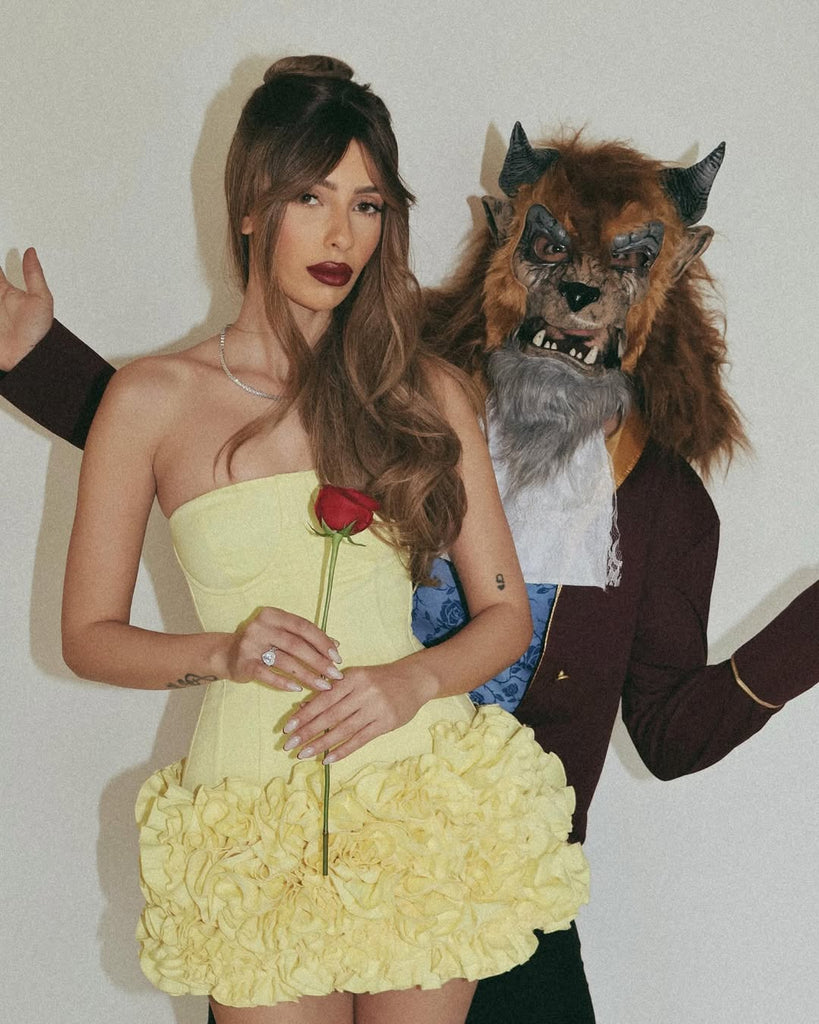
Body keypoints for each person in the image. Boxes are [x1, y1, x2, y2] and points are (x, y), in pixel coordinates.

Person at [35, 56, 589, 1023]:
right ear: (252, 206)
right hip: (250, 815)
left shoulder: (425, 391)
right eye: (311, 197)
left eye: (366, 206)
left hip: (415, 789)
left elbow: (504, 615)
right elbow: (88, 636)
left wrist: (411, 681)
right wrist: (223, 652)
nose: (341, 235)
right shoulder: (150, 399)